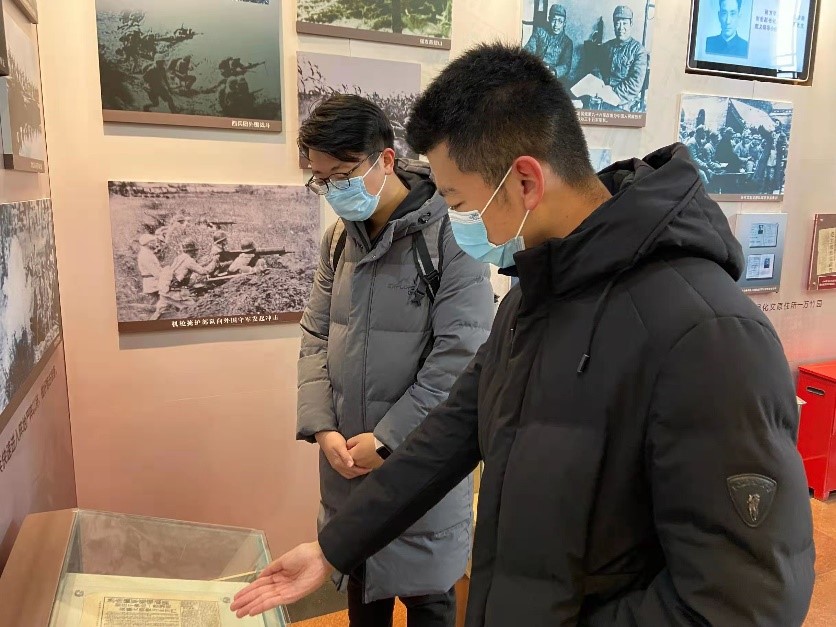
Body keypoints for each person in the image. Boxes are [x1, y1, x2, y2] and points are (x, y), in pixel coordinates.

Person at [232, 43, 814, 625]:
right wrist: (333, 548)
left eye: (457, 201)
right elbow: (448, 434)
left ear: (525, 182)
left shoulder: (711, 336)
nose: (455, 219)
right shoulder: (533, 296)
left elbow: (744, 600)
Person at [291, 93, 493, 627]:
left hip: (419, 462)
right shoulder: (339, 240)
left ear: (384, 158)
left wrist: (388, 439)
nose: (333, 190)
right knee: (363, 594)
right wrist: (322, 427)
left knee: (429, 600)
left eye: (342, 175)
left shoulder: (451, 233)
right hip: (347, 463)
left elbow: (462, 355)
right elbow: (314, 334)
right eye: (320, 179)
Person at [586, 5, 648, 111]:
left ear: (631, 24)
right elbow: (596, 67)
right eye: (617, 23)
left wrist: (612, 92)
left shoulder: (639, 51)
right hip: (601, 95)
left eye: (624, 23)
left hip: (623, 101)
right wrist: (600, 86)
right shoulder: (606, 46)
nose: (620, 28)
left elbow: (635, 82)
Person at [150, 239, 211, 320]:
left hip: (165, 288)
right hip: (175, 293)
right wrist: (214, 262)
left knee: (159, 311)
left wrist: (207, 262)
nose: (196, 253)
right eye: (195, 251)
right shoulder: (189, 260)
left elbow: (192, 267)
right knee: (194, 308)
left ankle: (149, 323)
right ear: (192, 251)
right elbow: (204, 272)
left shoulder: (179, 258)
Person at [523, 4, 574, 81]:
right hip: (535, 69)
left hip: (553, 76)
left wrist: (553, 72)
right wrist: (533, 66)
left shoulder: (567, 42)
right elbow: (528, 50)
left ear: (564, 23)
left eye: (560, 21)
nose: (556, 25)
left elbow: (565, 66)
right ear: (549, 19)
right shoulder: (539, 32)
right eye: (554, 20)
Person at [136, 234, 162, 303]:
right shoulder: (145, 255)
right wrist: (165, 278)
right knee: (156, 303)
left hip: (154, 282)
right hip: (152, 283)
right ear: (148, 243)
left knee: (158, 303)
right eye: (153, 241)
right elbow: (155, 271)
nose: (155, 243)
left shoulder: (148, 253)